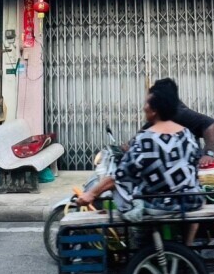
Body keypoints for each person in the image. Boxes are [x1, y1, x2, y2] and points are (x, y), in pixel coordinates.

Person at [77, 83, 203, 220]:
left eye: (146, 104)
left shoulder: (145, 139)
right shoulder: (188, 135)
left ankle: (139, 238)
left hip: (160, 205)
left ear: (154, 110)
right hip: (191, 201)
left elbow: (120, 177)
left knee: (121, 185)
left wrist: (91, 194)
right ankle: (189, 240)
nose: (144, 108)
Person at [145, 78, 214, 168]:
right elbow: (148, 128)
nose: (145, 107)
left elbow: (209, 123)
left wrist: (209, 153)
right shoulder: (162, 115)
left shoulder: (179, 112)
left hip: (186, 164)